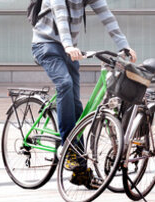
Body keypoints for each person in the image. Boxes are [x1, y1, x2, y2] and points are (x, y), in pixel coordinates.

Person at [32, 0, 137, 189]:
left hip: (70, 49)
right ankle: (67, 146)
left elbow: (107, 17)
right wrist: (67, 45)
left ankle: (81, 172)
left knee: (76, 106)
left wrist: (124, 45)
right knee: (64, 84)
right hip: (46, 45)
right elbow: (61, 17)